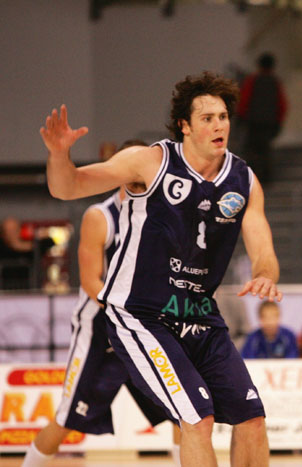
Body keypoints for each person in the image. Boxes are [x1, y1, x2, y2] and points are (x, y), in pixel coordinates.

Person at [39, 71, 282, 467]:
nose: (219, 126)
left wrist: (266, 273)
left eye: (223, 117)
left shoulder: (244, 179)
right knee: (197, 420)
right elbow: (69, 187)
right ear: (184, 126)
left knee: (252, 419)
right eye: (207, 118)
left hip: (199, 313)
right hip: (142, 314)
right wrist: (58, 155)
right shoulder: (150, 161)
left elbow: (262, 244)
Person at [22, 139, 175, 467]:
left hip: (143, 326)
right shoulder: (100, 216)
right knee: (67, 417)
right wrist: (134, 309)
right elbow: (92, 282)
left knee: (182, 411)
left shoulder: (163, 215)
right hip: (100, 327)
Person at [237, 52, 288, 185]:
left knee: (251, 150)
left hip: (253, 122)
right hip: (269, 123)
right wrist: (278, 122)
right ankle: (266, 178)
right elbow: (282, 104)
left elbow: (244, 100)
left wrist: (241, 117)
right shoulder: (275, 82)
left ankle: (252, 178)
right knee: (265, 151)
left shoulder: (252, 81)